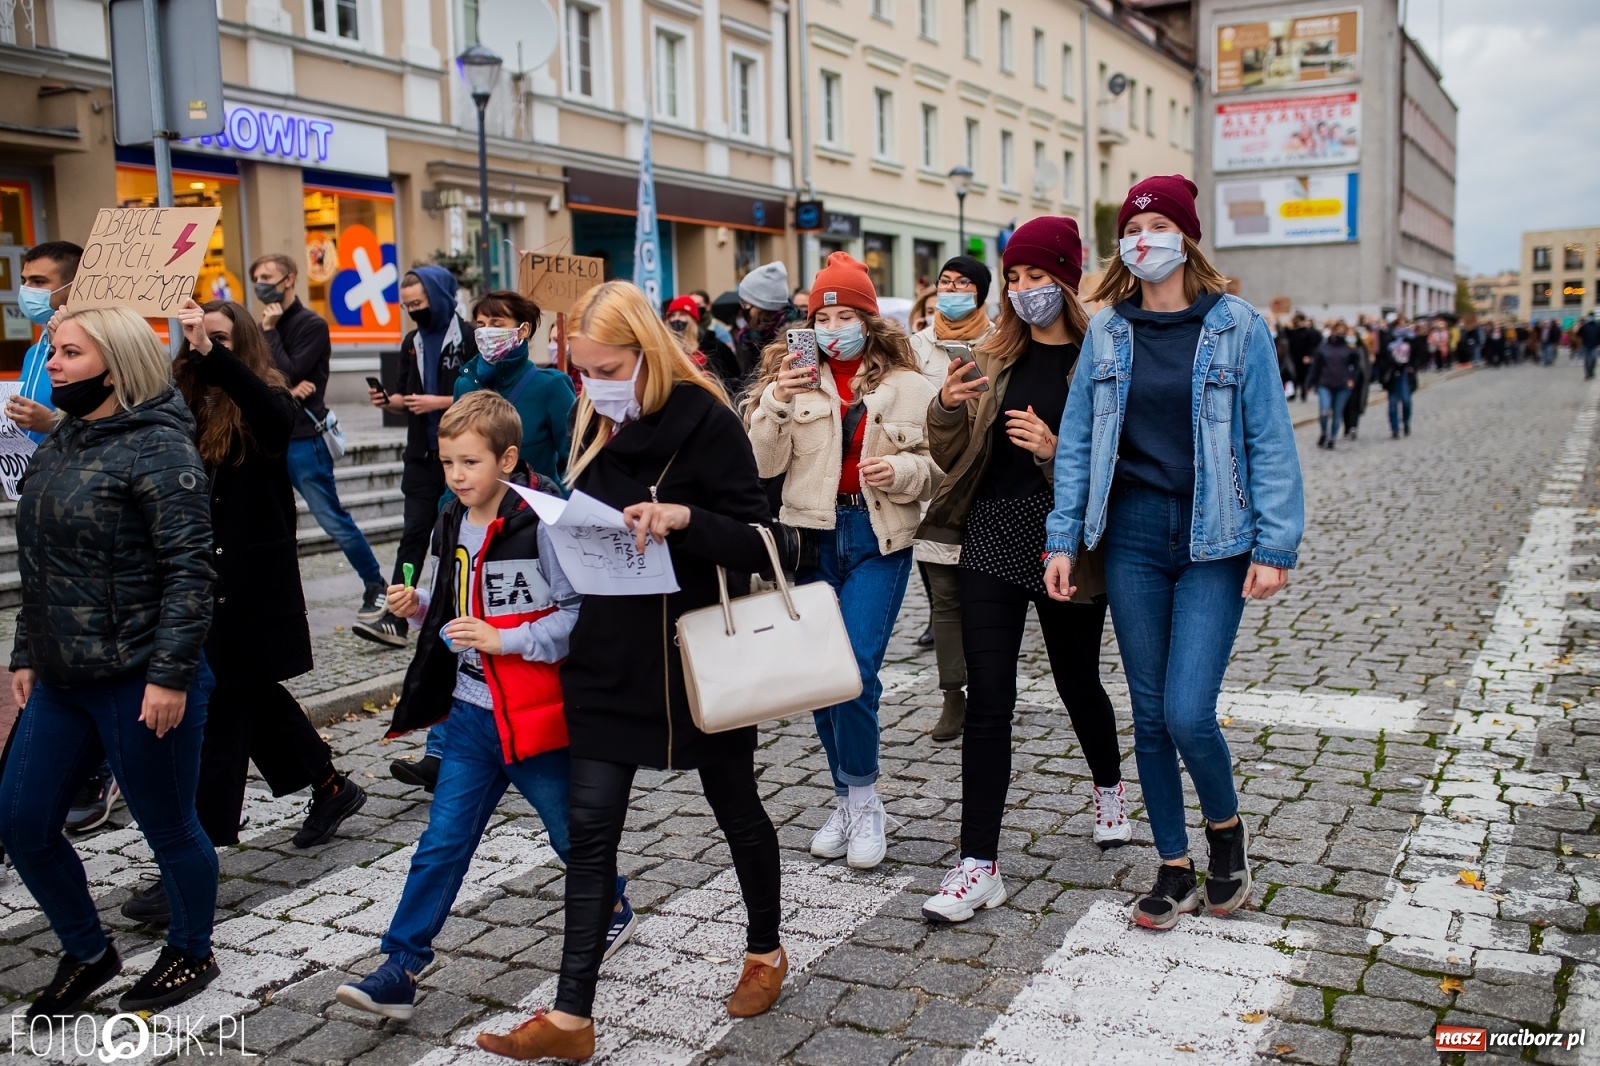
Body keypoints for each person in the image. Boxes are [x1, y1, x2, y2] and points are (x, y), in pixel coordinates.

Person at [473, 281, 786, 1060]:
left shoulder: (708, 420)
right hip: (608, 653)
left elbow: (762, 540)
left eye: (607, 367)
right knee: (590, 834)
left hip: (693, 658)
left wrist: (682, 519)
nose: (593, 385)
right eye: (582, 370)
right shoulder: (592, 416)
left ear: (645, 353)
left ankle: (765, 949)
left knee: (737, 809)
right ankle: (571, 1018)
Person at [1044, 176, 1303, 931]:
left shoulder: (1238, 326)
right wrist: (1063, 537)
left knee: (1189, 711)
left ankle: (1226, 835)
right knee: (1149, 716)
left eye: (1158, 223)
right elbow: (1081, 445)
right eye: (1134, 226)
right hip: (1128, 536)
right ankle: (1173, 863)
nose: (1143, 237)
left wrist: (1275, 543)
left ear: (1185, 237)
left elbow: (1269, 442)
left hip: (1214, 537)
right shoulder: (1107, 332)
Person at [334, 391, 633, 1022]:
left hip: (533, 715)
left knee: (572, 835)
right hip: (469, 716)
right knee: (442, 843)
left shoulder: (542, 522)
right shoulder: (449, 518)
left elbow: (579, 617)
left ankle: (610, 902)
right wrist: (417, 607)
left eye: (469, 462)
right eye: (447, 463)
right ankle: (401, 964)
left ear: (508, 458)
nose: (456, 476)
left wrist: (509, 639)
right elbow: (447, 603)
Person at [1, 306, 222, 1015]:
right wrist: (27, 649)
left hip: (140, 678)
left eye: (68, 352)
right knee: (23, 821)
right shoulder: (62, 440)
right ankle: (88, 951)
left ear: (114, 365)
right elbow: (38, 561)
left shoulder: (159, 449)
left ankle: (191, 952)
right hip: (63, 677)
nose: (53, 364)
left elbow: (191, 570)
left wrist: (170, 675)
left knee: (168, 825)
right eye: (54, 351)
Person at [920, 217, 1130, 924]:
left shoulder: (1103, 359)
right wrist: (946, 405)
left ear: (1067, 279)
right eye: (1015, 277)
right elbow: (949, 451)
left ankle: (1109, 786)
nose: (1024, 289)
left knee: (1076, 679)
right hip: (989, 532)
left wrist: (1052, 446)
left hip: (1062, 539)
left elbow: (1116, 465)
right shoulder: (994, 353)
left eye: (1037, 276)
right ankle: (977, 863)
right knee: (990, 699)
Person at [745, 252, 940, 870]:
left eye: (844, 314)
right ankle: (854, 798)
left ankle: (860, 796)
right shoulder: (793, 382)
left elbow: (938, 467)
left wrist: (902, 470)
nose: (832, 327)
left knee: (853, 669)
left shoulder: (909, 386)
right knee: (821, 677)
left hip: (879, 535)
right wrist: (775, 399)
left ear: (867, 317)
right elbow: (760, 467)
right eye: (821, 315)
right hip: (812, 534)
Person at [251, 253, 388, 624]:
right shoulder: (258, 324)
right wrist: (284, 388)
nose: (260, 283)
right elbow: (256, 376)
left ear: (290, 279)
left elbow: (288, 369)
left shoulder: (309, 324)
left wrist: (271, 333)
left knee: (331, 517)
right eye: (256, 277)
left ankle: (375, 585)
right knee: (270, 523)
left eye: (268, 276)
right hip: (268, 438)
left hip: (303, 439)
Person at [356, 265, 472, 660]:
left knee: (460, 537)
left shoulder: (471, 337)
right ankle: (396, 616)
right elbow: (407, 396)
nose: (413, 311)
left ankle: (459, 613)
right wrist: (388, 400)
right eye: (406, 305)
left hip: (466, 456)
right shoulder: (412, 341)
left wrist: (439, 403)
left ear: (438, 296)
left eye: (418, 303)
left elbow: (487, 398)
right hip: (422, 454)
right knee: (414, 535)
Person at [907, 255, 995, 742]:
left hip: (987, 489)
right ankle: (952, 695)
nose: (954, 290)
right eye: (946, 282)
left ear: (981, 292)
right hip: (935, 490)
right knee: (944, 599)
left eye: (965, 283)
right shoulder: (914, 347)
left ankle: (989, 688)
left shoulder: (1002, 342)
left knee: (984, 600)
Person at [454, 290, 576, 485]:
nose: (486, 332)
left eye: (496, 324)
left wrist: (559, 505)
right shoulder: (465, 384)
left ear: (523, 330)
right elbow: (456, 455)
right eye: (480, 325)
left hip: (534, 510)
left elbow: (574, 461)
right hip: (479, 511)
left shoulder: (551, 386)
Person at [733, 262, 803, 391]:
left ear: (761, 306)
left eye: (745, 303)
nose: (742, 308)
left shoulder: (793, 340)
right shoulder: (753, 336)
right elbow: (746, 382)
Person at [666, 294, 740, 384]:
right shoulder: (663, 348)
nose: (676, 319)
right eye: (672, 315)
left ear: (693, 319)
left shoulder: (714, 347)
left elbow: (733, 378)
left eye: (682, 314)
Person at [1310, 321, 1358, 450]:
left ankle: (1332, 438)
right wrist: (1309, 383)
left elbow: (1356, 367)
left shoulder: (1350, 349)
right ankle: (1324, 432)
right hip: (1325, 383)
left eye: (1343, 332)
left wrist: (1352, 378)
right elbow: (1316, 366)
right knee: (1324, 410)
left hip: (1342, 385)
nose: (1340, 334)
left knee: (1337, 413)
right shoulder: (1323, 348)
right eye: (1338, 331)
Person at [1376, 319, 1419, 438]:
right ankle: (1394, 428)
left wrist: (1413, 367)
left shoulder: (1410, 339)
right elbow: (1383, 357)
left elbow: (1416, 355)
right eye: (1399, 325)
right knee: (1393, 403)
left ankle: (1405, 422)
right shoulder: (1388, 339)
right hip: (1392, 374)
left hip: (1406, 373)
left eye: (1403, 325)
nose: (1401, 328)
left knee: (1406, 401)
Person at [1580, 315, 1600, 381]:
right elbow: (1579, 334)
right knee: (1586, 360)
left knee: (1593, 360)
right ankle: (1587, 373)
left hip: (1594, 346)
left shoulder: (1597, 326)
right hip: (1586, 346)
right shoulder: (1585, 326)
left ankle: (1591, 371)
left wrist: (1598, 344)